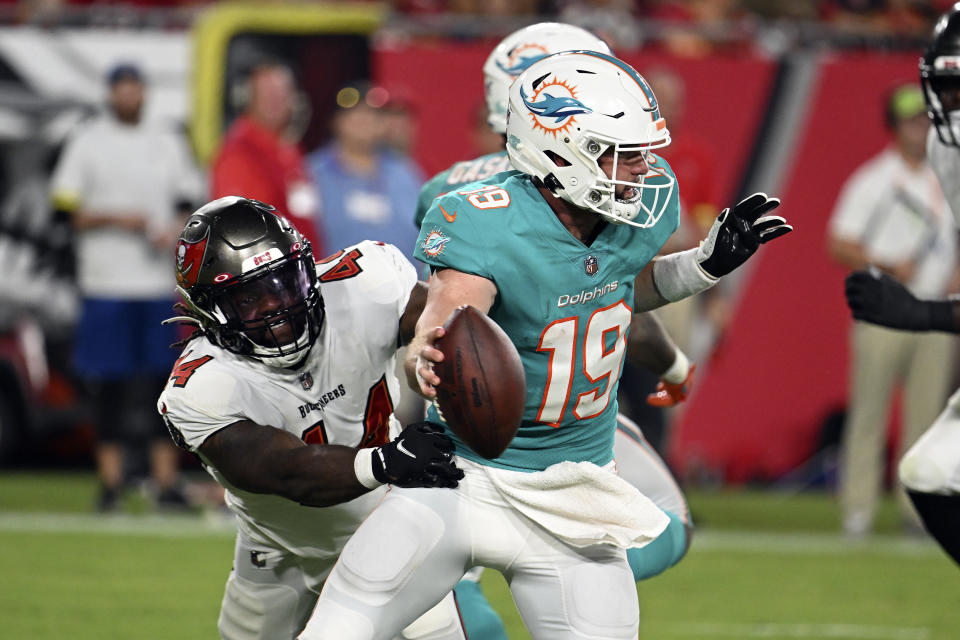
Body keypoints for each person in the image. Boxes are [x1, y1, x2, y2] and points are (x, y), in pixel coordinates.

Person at [301, 50, 791, 640]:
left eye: (642, 151)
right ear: (559, 150)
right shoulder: (487, 219)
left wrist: (705, 265)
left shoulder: (634, 211)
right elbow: (454, 308)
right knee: (335, 632)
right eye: (622, 152)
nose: (641, 168)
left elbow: (618, 291)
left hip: (573, 497)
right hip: (462, 481)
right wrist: (427, 353)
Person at [412, 25, 697, 638]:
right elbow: (448, 326)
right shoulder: (476, 209)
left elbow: (606, 299)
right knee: (669, 525)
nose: (634, 162)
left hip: (558, 416)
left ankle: (499, 566)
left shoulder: (457, 189)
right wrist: (675, 365)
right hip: (499, 418)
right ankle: (479, 570)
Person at [157, 196, 469, 639]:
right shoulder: (203, 385)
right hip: (277, 549)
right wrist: (386, 461)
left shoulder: (365, 284)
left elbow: (441, 327)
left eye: (284, 283)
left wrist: (436, 351)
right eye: (250, 299)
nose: (278, 310)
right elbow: (286, 471)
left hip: (386, 527)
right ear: (210, 312)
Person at [49, 61, 203, 511]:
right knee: (110, 387)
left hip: (157, 282)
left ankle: (164, 481)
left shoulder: (166, 140)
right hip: (105, 282)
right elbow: (63, 209)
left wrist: (172, 227)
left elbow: (188, 199)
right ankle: (111, 482)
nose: (130, 97)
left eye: (136, 88)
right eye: (123, 89)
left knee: (163, 384)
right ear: (111, 93)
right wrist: (118, 219)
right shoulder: (88, 141)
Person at [844, 2, 960, 565]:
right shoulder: (890, 173)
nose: (942, 111)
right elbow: (838, 240)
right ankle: (859, 513)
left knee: (927, 437)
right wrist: (895, 278)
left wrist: (933, 306)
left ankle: (909, 520)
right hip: (909, 312)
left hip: (937, 309)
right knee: (895, 439)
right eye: (946, 91)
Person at [308, 82, 424, 268]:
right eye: (354, 113)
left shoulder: (406, 172)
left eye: (372, 114)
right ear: (336, 121)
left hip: (404, 290)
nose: (364, 120)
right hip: (334, 288)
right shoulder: (311, 174)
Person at [210, 61, 324, 251]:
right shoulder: (239, 154)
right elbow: (244, 234)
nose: (276, 102)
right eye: (268, 95)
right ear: (249, 99)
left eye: (282, 94)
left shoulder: (289, 147)